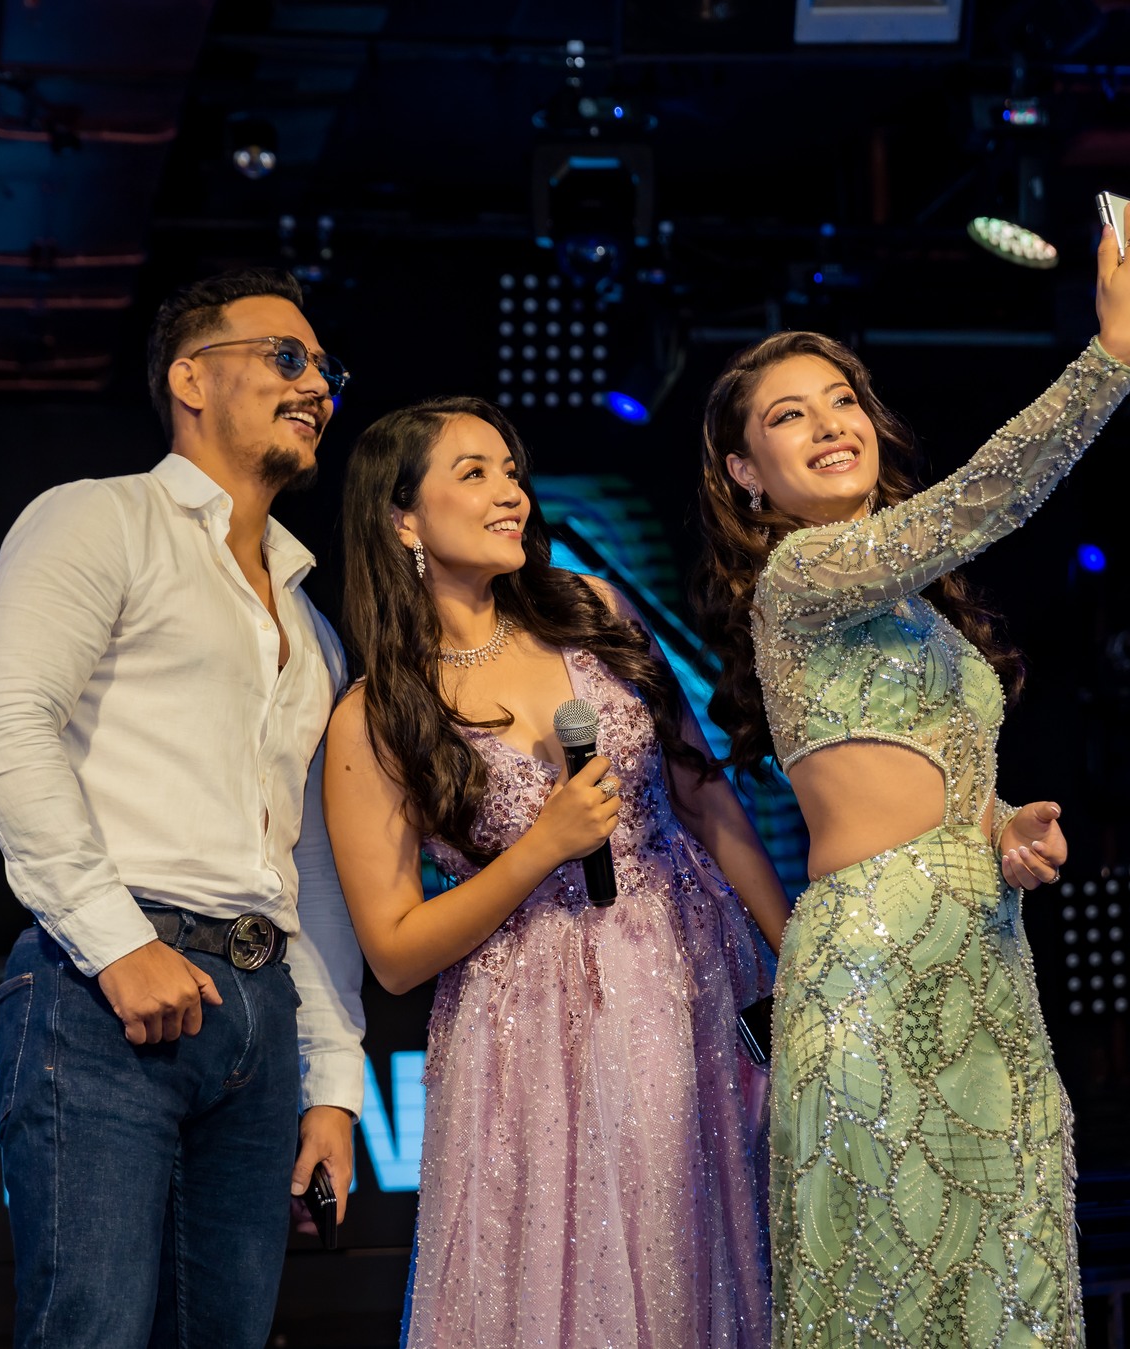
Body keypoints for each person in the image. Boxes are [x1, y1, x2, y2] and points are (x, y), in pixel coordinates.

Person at [687, 206, 1130, 1347]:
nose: (827, 425)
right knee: (889, 1300)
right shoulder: (800, 575)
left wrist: (1004, 829)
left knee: (1004, 1296)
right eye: (786, 416)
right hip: (873, 978)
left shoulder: (918, 615)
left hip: (983, 974)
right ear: (745, 475)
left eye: (841, 401)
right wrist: (1112, 357)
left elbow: (908, 770)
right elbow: (978, 500)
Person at [0, 267, 368, 1348]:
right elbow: (1, 734)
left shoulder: (311, 625)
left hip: (262, 1009)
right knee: (89, 1332)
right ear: (191, 378)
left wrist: (332, 1080)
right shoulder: (100, 519)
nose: (316, 385)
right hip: (104, 994)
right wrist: (118, 944)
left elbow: (310, 863)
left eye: (325, 368)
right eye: (285, 356)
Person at [321, 396, 792, 1349]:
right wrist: (542, 845)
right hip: (529, 1032)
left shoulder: (593, 610)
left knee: (701, 1264)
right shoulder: (376, 717)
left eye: (512, 471)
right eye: (474, 474)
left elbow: (704, 794)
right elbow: (396, 951)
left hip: (688, 981)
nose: (512, 495)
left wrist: (797, 959)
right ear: (403, 518)